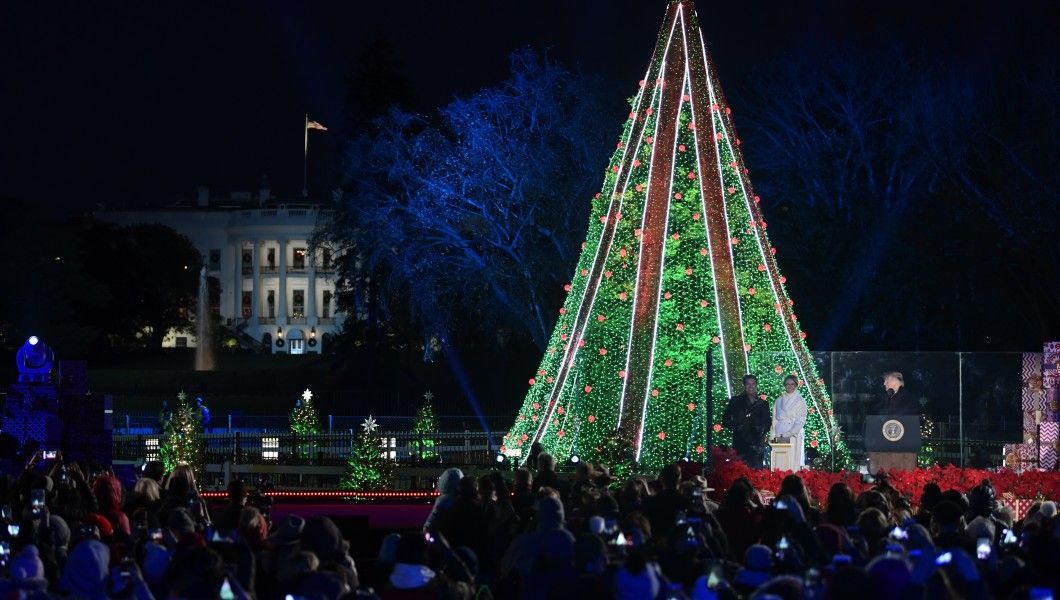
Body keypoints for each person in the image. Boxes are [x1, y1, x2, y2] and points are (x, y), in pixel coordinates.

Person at [723, 375, 771, 467]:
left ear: (756, 385)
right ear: (744, 385)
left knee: (756, 474)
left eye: (753, 384)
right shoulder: (735, 401)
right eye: (748, 384)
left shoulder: (763, 404)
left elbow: (768, 423)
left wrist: (760, 430)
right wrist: (738, 426)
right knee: (740, 472)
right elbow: (726, 420)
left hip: (756, 444)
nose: (751, 386)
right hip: (740, 443)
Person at [772, 375, 808, 469]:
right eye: (787, 384)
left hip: (792, 434)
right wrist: (773, 435)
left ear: (796, 385)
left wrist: (790, 433)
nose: (790, 386)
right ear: (784, 385)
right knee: (779, 462)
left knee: (791, 462)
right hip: (779, 434)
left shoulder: (800, 401)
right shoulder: (778, 400)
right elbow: (774, 419)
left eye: (792, 384)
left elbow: (801, 420)